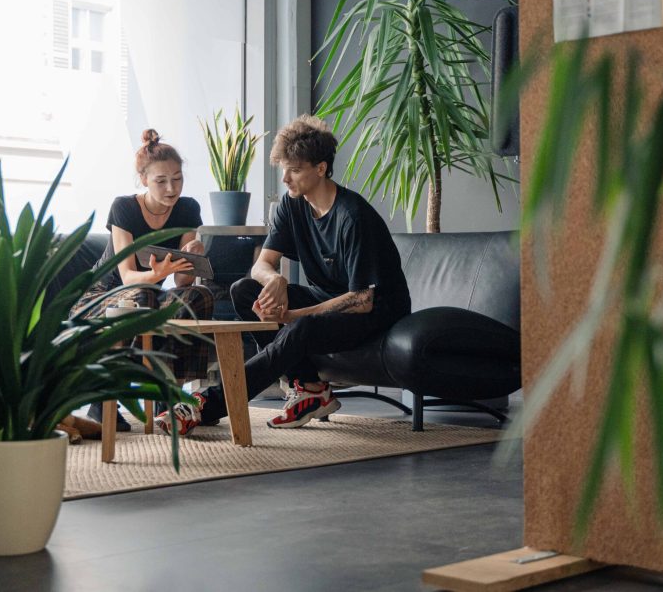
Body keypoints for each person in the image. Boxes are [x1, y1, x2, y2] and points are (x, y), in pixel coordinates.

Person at [155, 114, 410, 434]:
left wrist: (294, 314)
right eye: (283, 169)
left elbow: (362, 299)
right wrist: (274, 280)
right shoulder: (292, 205)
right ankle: (309, 388)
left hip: (375, 310)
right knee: (245, 290)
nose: (286, 179)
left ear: (320, 168)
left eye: (295, 170)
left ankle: (207, 403)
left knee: (299, 326)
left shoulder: (353, 216)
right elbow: (261, 264)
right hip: (327, 298)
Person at [73, 129, 215, 431]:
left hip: (146, 295)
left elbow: (182, 282)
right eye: (161, 181)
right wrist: (157, 274)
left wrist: (193, 254)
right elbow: (126, 276)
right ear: (143, 180)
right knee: (143, 293)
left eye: (177, 178)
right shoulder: (124, 207)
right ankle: (103, 398)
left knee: (198, 298)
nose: (171, 188)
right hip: (102, 296)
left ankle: (169, 396)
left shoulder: (188, 208)